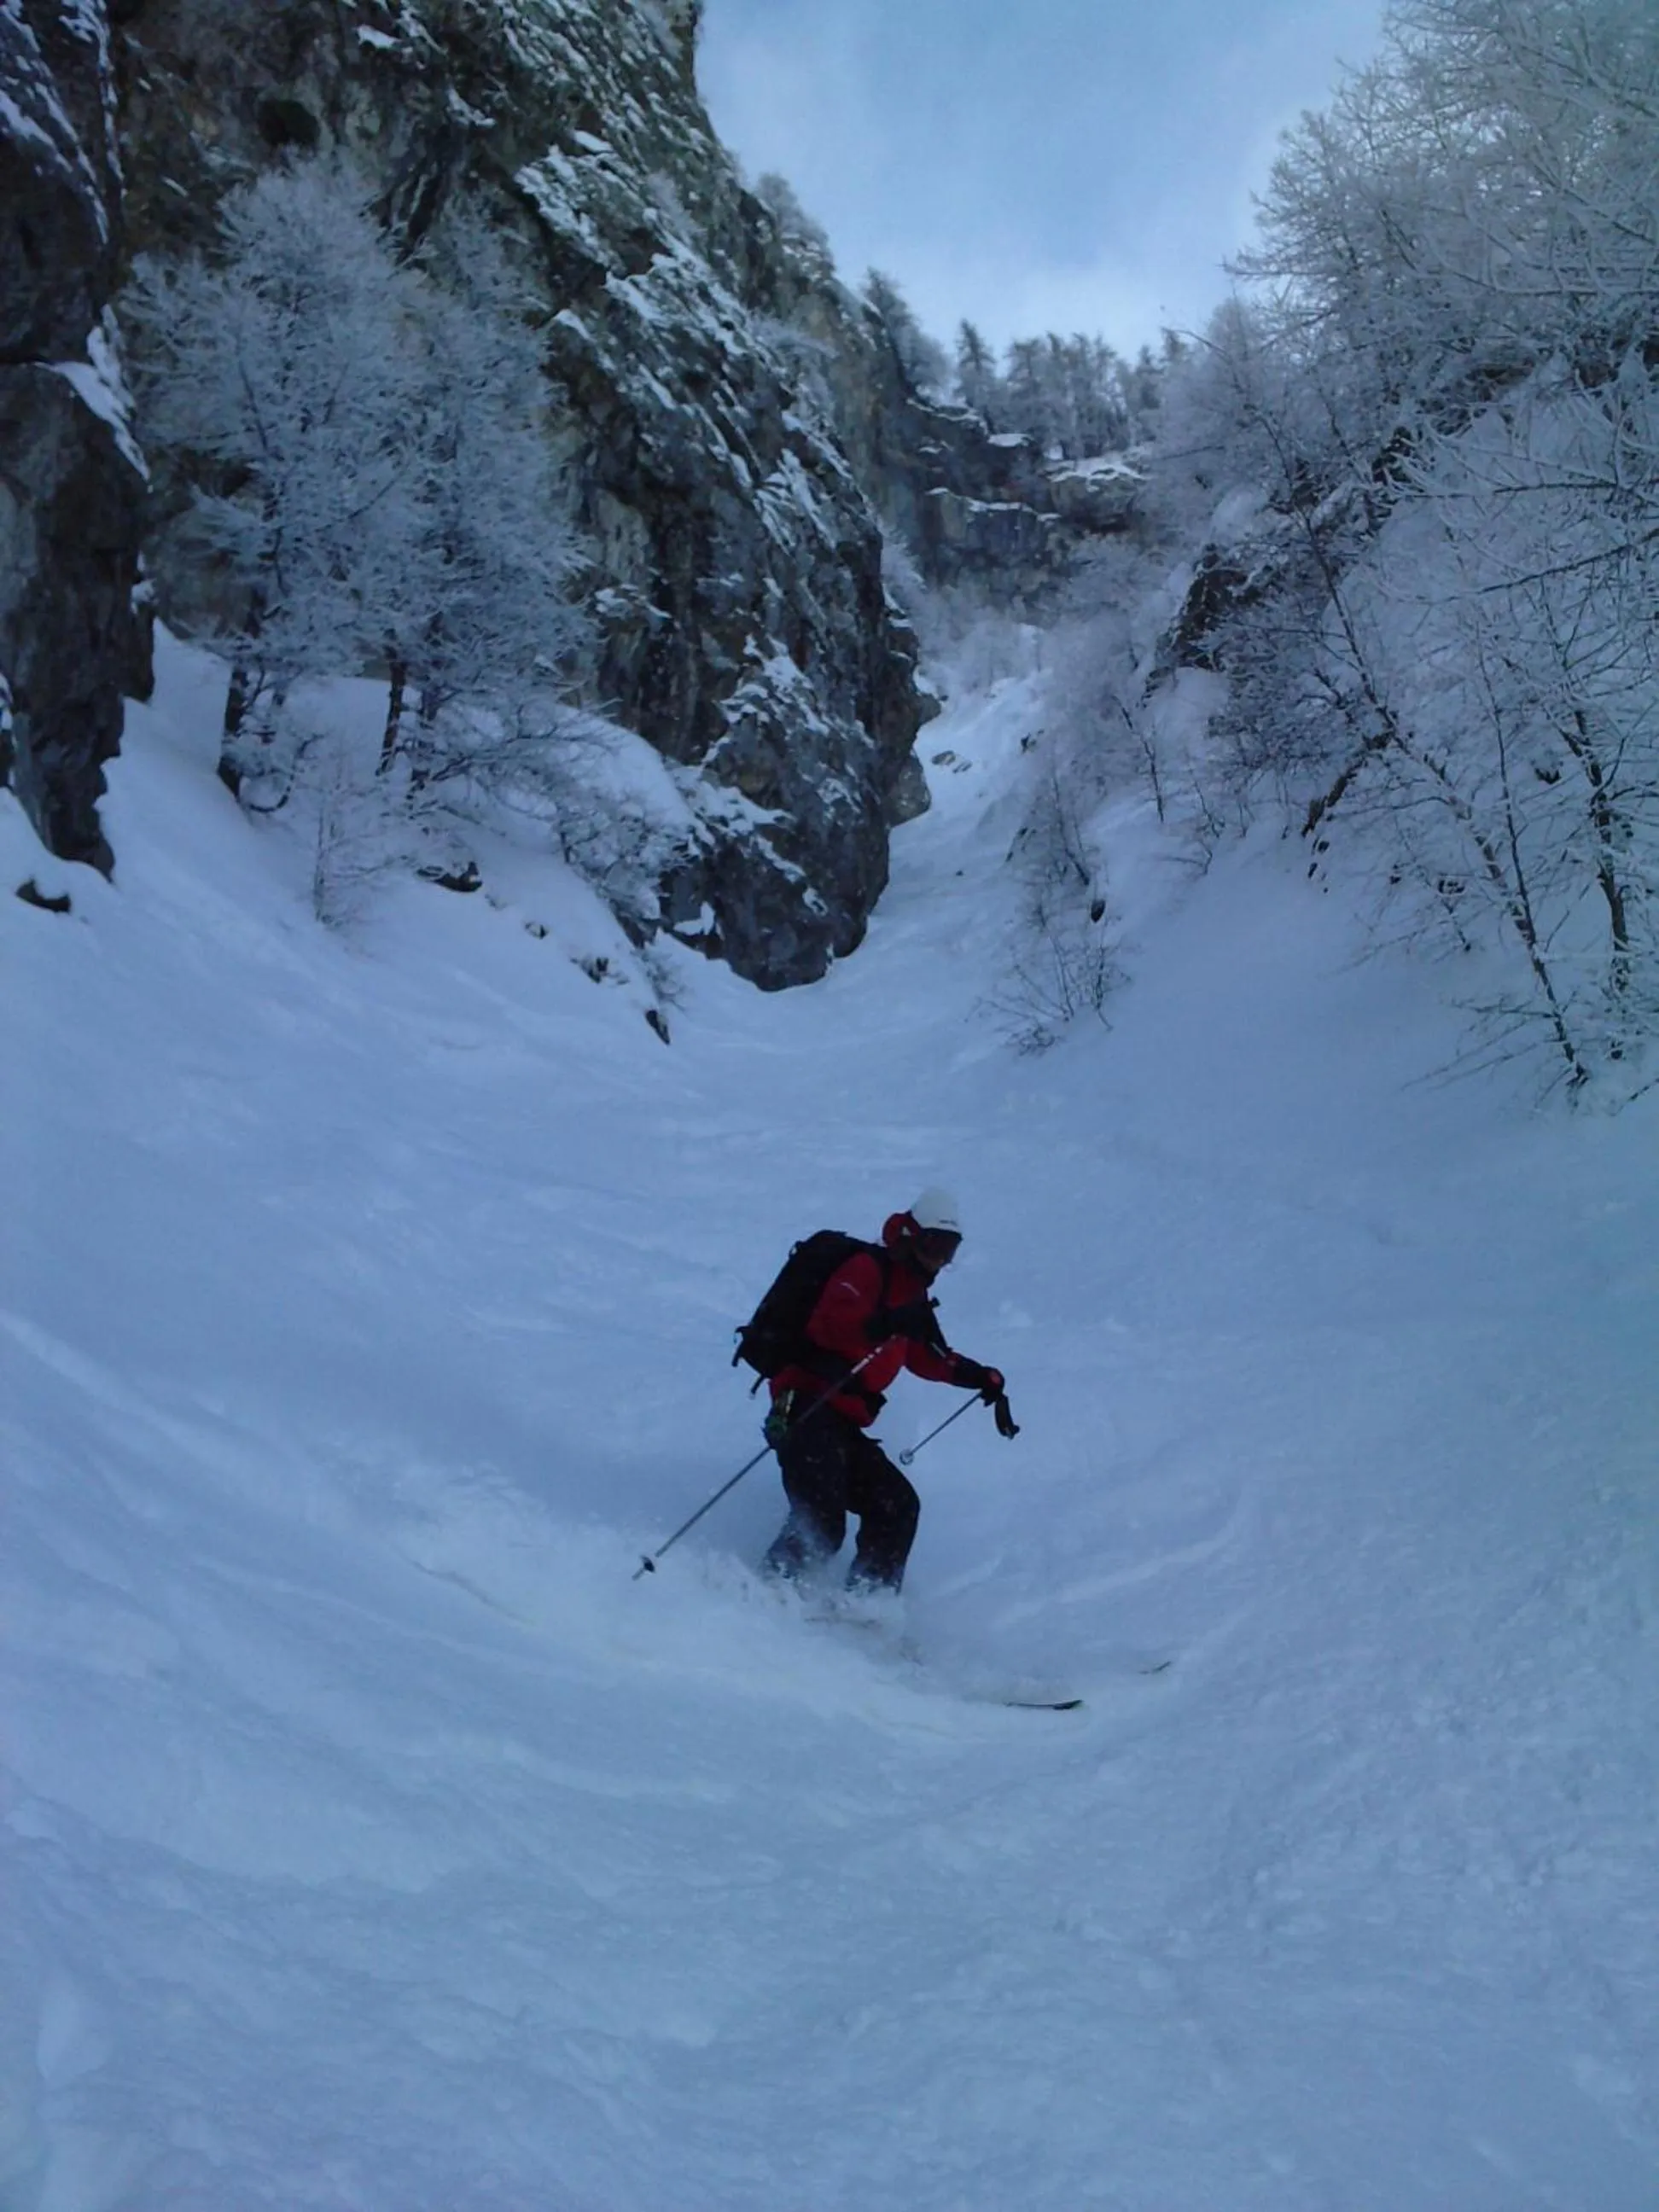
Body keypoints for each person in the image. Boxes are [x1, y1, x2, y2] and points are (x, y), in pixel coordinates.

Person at [760, 1188, 1011, 1595]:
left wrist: (979, 1376)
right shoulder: (866, 1269)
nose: (939, 1260)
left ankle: (865, 1609)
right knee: (823, 1518)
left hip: (843, 1423)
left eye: (949, 1250)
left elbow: (928, 1357)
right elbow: (831, 1326)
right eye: (934, 1246)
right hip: (807, 1407)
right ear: (911, 1238)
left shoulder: (912, 1297)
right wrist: (890, 1321)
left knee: (897, 1506)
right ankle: (768, 1594)